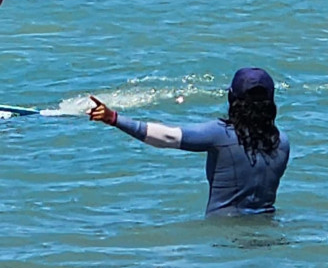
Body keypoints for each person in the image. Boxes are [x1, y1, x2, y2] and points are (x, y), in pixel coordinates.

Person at [89, 66, 289, 215]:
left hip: (226, 237)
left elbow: (168, 137)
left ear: (232, 99)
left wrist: (114, 119)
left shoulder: (220, 134)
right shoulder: (282, 142)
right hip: (268, 233)